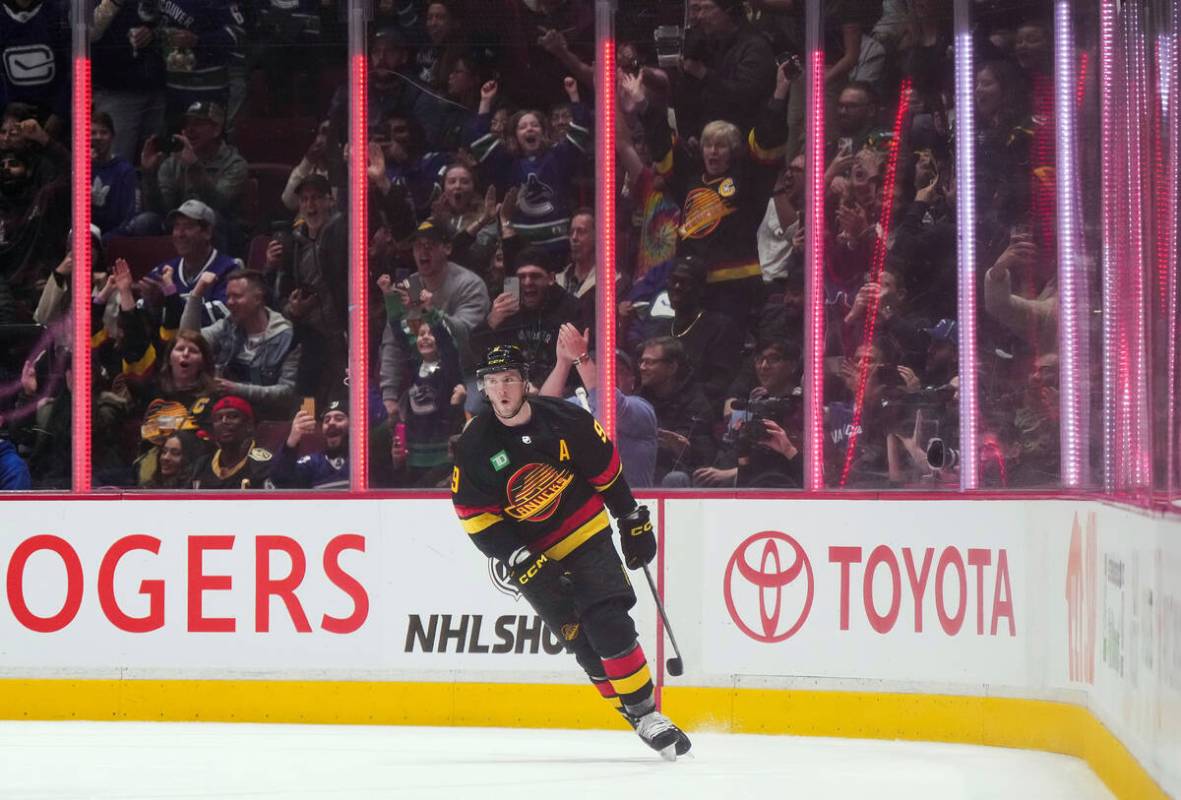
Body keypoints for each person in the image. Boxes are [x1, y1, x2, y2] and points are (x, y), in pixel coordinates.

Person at [450, 344, 691, 759]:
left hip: (585, 535)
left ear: (524, 381)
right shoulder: (475, 445)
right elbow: (475, 515)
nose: (502, 390)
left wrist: (630, 517)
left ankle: (649, 714)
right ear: (484, 390)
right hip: (533, 555)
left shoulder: (566, 419)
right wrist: (518, 557)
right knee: (583, 645)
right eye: (492, 382)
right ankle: (635, 714)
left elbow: (605, 470)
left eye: (508, 379)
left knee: (607, 620)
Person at [181, 268, 301, 418]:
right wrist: (197, 294)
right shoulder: (228, 325)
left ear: (258, 299)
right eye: (228, 297)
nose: (229, 303)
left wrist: (236, 389)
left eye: (236, 296)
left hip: (265, 418)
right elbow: (188, 340)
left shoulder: (288, 338)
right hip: (222, 413)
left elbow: (287, 392)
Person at [190, 395, 275, 490]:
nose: (224, 421)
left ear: (249, 425)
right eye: (218, 418)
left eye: (233, 416)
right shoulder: (202, 465)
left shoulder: (263, 465)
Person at [271, 399, 350, 490]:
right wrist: (292, 440)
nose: (331, 422)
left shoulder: (362, 459)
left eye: (339, 419)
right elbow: (279, 480)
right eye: (327, 420)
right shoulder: (312, 462)